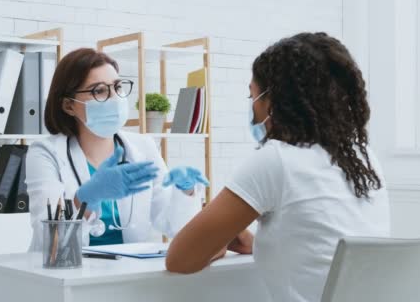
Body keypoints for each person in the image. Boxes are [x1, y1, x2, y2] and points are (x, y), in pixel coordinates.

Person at [166, 32, 390, 302]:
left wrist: (215, 244)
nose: (252, 107)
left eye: (252, 95)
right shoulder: (363, 158)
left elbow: (179, 259)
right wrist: (257, 243)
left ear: (272, 101)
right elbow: (320, 239)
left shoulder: (278, 160)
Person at [26, 48, 209, 250]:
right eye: (99, 90)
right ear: (69, 106)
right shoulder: (45, 152)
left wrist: (185, 191)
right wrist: (85, 199)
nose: (114, 98)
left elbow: (174, 226)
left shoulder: (143, 146)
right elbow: (49, 240)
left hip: (127, 270)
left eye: (117, 87)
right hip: (68, 272)